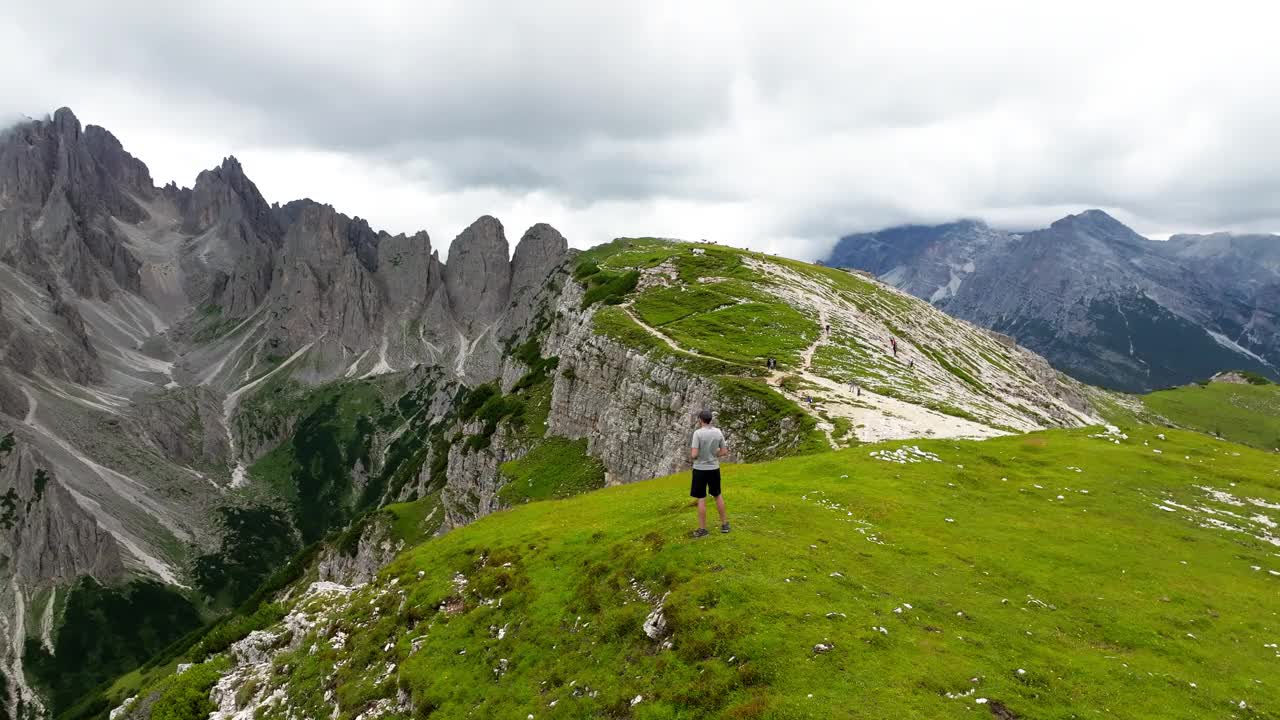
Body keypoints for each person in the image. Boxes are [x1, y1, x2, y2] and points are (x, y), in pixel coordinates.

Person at [689, 409, 729, 537]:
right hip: (714, 468)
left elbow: (694, 454)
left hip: (700, 469)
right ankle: (725, 525)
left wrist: (694, 456)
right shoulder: (718, 432)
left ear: (700, 420)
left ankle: (702, 530)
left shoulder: (697, 434)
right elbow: (724, 451)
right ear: (711, 420)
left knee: (701, 498)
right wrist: (714, 454)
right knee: (717, 495)